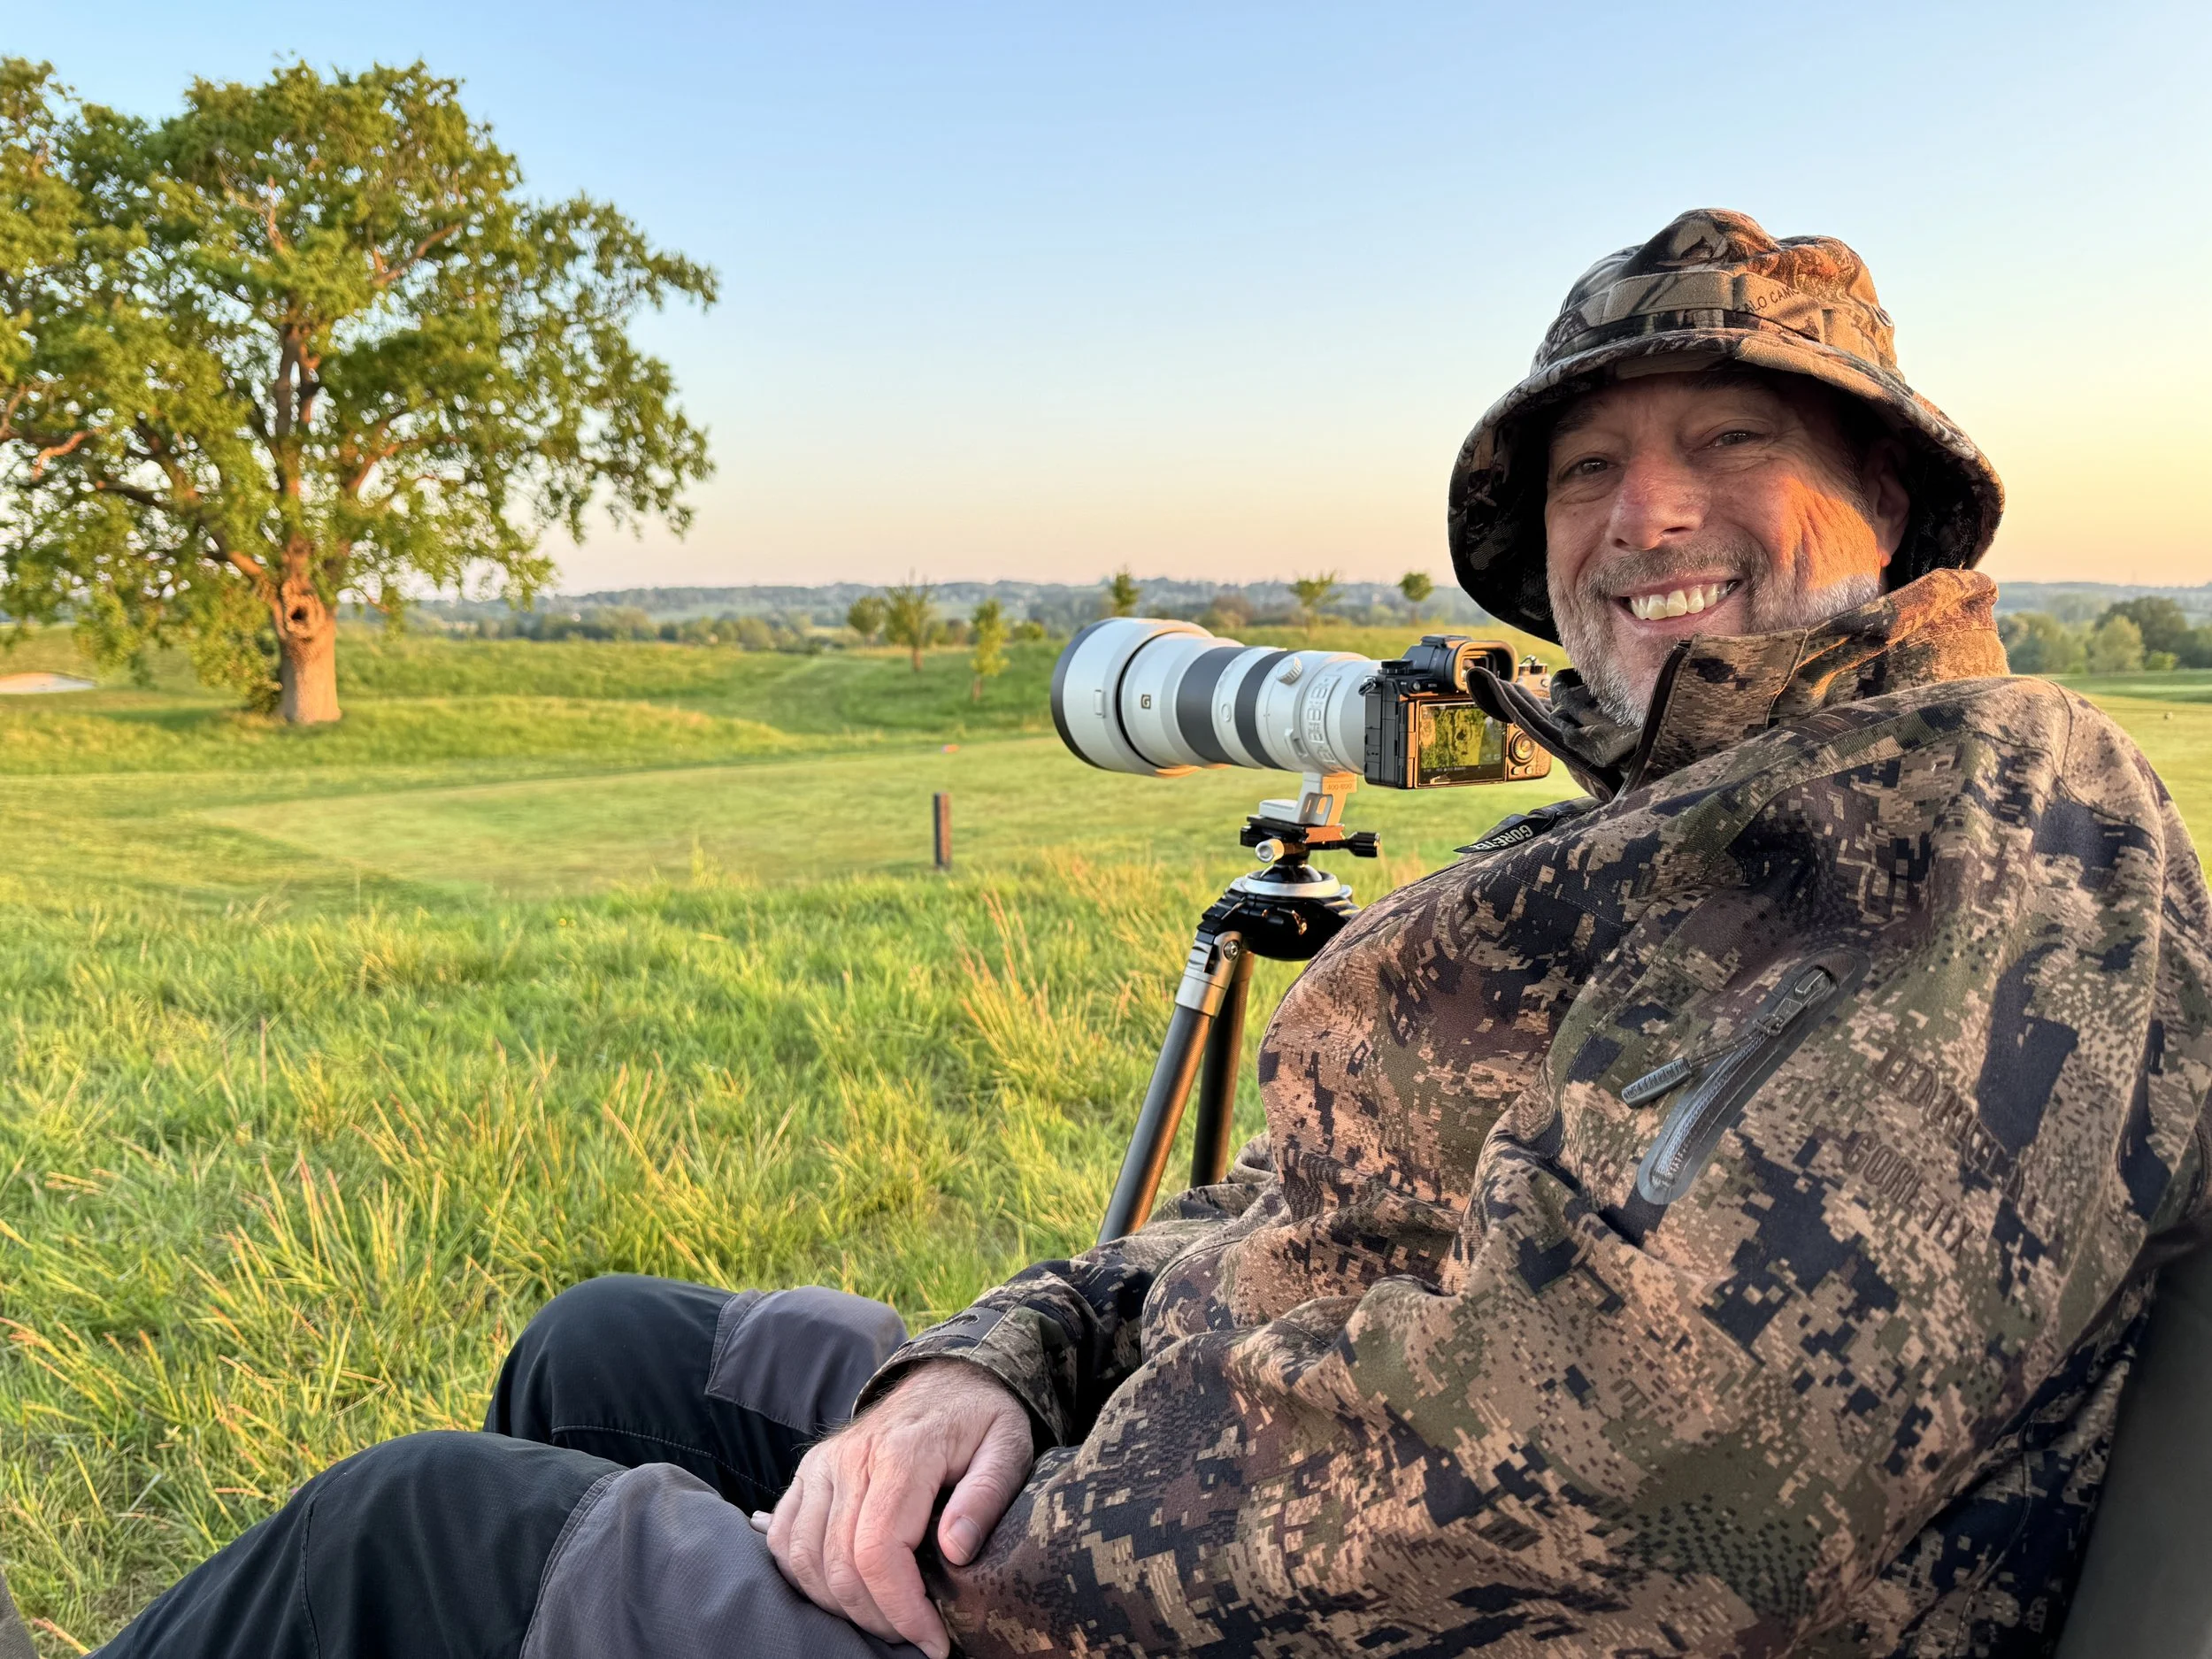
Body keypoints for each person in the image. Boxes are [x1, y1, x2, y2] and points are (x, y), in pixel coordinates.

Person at [82, 209, 2211, 1659]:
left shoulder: (1972, 814)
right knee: (611, 1350)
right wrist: (983, 1367)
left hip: (1281, 1601)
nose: (1640, 518)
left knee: (415, 1532)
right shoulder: (1671, 819)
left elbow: (1646, 1485)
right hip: (1222, 1483)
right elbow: (1281, 1213)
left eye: (1725, 442)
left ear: (1889, 502)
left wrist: (998, 1551)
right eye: (1586, 469)